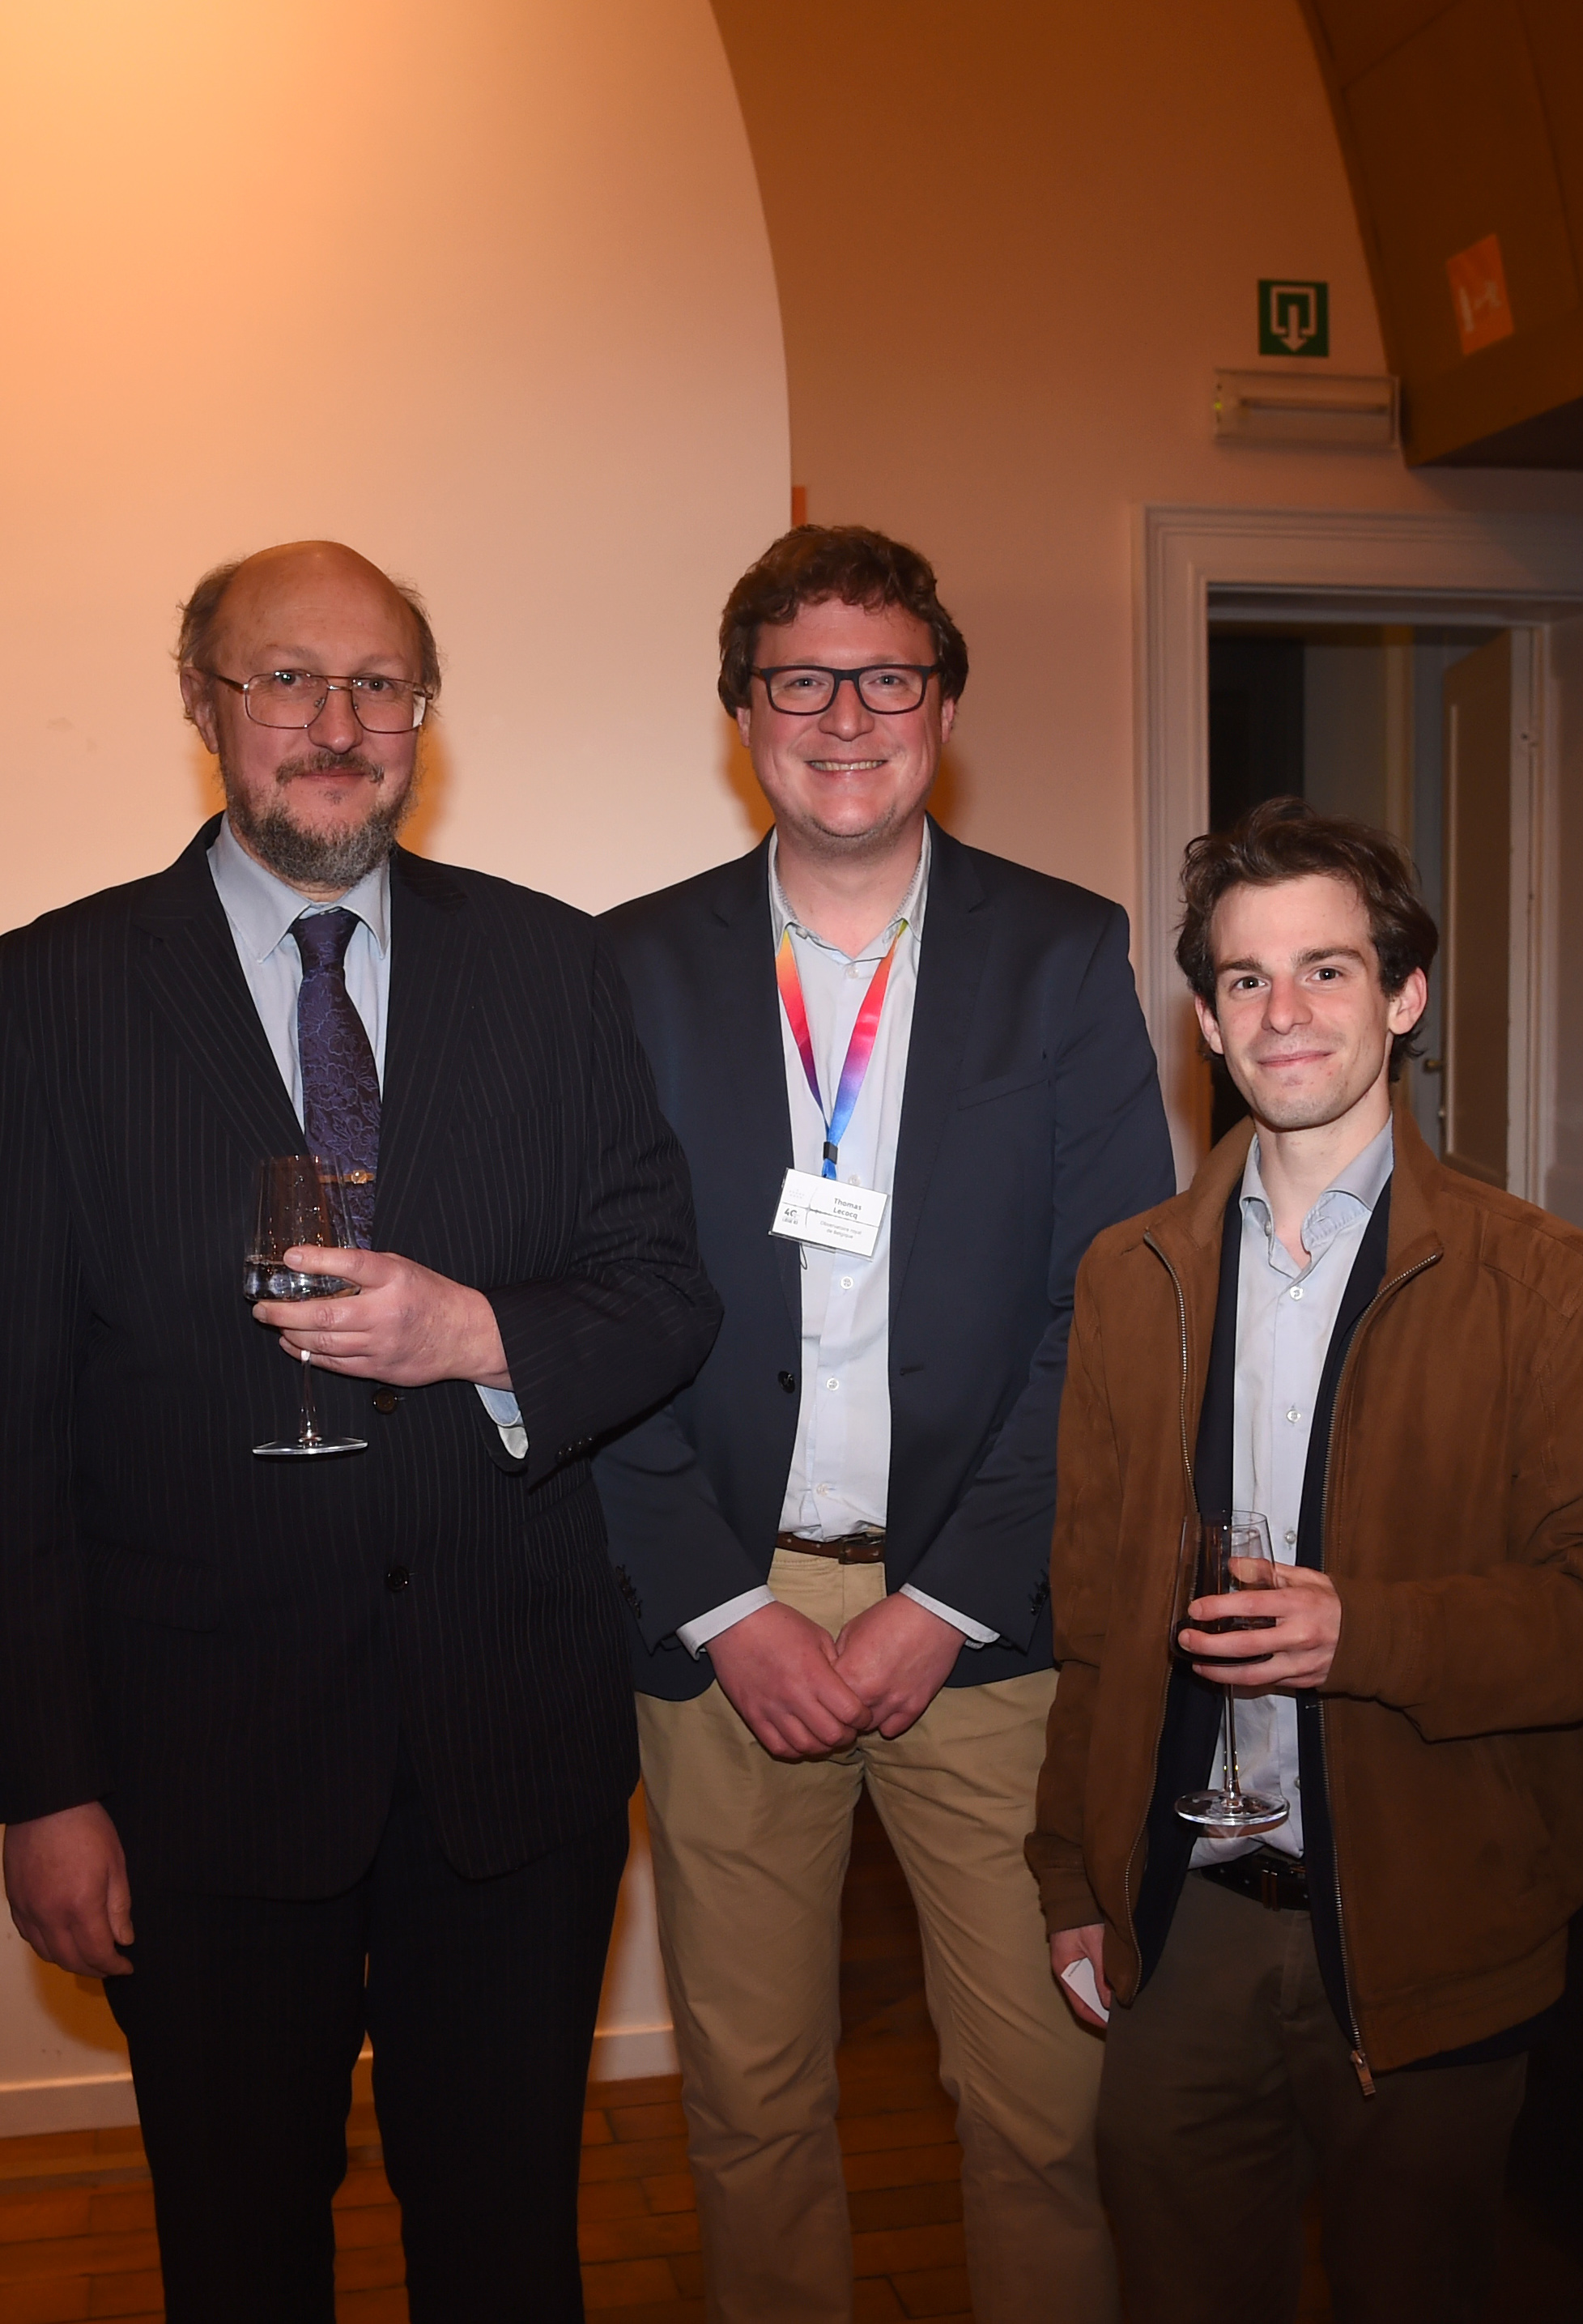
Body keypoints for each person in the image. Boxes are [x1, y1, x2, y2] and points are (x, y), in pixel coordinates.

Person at [0, 540, 720, 2324]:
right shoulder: (50, 990)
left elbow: (663, 1290)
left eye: (379, 684)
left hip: (508, 1757)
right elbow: (10, 1423)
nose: (336, 722)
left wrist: (478, 1335)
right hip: (195, 1770)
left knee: (507, 2244)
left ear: (422, 714)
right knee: (237, 2252)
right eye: (285, 678)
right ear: (203, 702)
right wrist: (44, 1779)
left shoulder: (549, 964)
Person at [594, 526, 1171, 2324]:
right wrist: (719, 1603)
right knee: (750, 2105)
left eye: (887, 677)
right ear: (741, 711)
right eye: (802, 679)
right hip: (724, 1617)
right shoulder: (624, 967)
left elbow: (1105, 1314)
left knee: (1042, 2110)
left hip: (984, 1617)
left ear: (943, 705)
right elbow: (587, 1313)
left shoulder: (1063, 953)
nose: (845, 715)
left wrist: (946, 1600)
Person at [1030, 799, 1583, 2320]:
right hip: (1182, 1916)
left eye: (1327, 969)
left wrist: (1363, 1634)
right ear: (1206, 1021)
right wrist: (1072, 1872)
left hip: (1429, 1927)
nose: (1286, 1012)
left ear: (1404, 996)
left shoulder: (1549, 1285)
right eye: (1246, 979)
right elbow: (1094, 1614)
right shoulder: (1130, 1277)